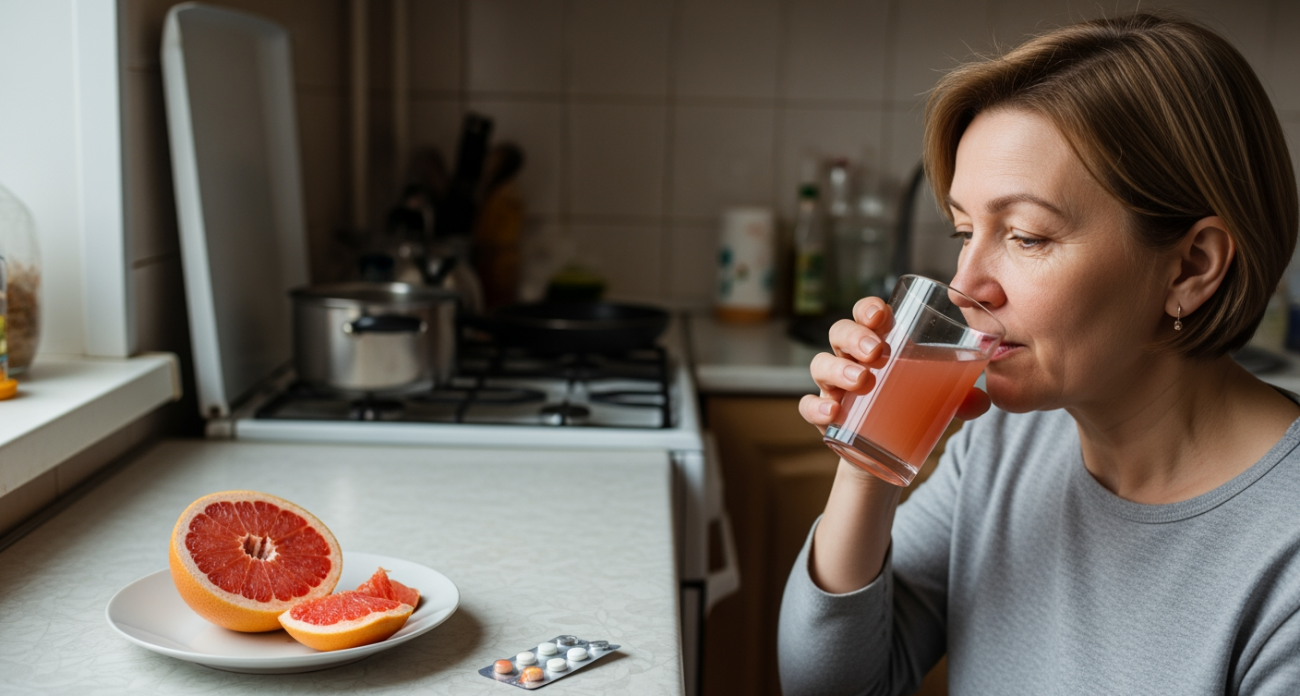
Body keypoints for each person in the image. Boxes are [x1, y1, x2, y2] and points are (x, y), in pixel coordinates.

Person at [778, 12, 1300, 695]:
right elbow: (834, 687)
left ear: (1190, 268)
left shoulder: (1285, 556)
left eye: (1026, 237)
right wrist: (868, 461)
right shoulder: (1002, 446)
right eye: (965, 230)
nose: (965, 287)